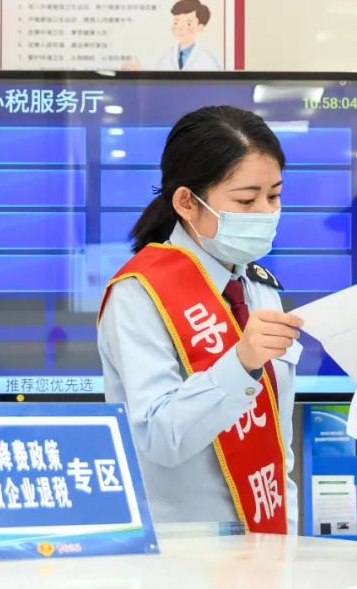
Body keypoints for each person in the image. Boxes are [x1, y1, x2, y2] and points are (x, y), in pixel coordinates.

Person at [97, 105, 303, 534]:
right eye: (246, 200)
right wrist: (240, 365)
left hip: (266, 537)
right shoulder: (139, 293)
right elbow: (159, 438)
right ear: (187, 202)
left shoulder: (258, 287)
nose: (266, 213)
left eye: (274, 196)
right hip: (182, 546)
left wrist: (289, 540)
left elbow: (278, 442)